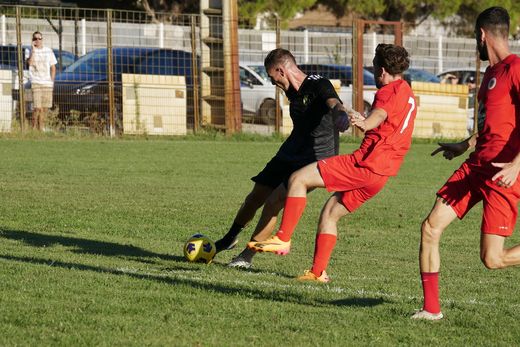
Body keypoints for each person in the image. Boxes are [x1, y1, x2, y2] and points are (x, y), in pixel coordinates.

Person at [248, 44, 417, 283]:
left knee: (298, 179)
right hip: (382, 175)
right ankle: (318, 273)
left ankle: (283, 237)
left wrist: (365, 122)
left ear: (380, 70)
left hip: (366, 164)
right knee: (330, 213)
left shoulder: (387, 91)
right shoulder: (407, 92)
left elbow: (380, 114)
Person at [412, 6, 520, 321]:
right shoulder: (491, 73)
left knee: (493, 259)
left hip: (503, 173)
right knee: (430, 227)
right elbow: (495, 126)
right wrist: (466, 144)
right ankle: (431, 310)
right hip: (475, 167)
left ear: (482, 34)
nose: (475, 41)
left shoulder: (515, 68)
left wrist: (516, 164)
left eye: (475, 36)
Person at [214, 48, 350, 269]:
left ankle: (246, 256)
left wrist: (341, 115)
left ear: (281, 70)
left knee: (274, 201)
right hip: (291, 150)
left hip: (315, 158)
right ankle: (230, 238)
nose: (273, 82)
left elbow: (334, 102)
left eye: (272, 77)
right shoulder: (292, 92)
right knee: (255, 196)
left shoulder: (318, 84)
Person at [25, 31, 57, 131]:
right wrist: (33, 50)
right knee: (37, 107)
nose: (37, 40)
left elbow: (53, 67)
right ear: (32, 40)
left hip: (47, 83)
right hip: (36, 82)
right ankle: (33, 128)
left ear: (42, 40)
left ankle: (41, 128)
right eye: (35, 38)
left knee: (44, 108)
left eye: (39, 38)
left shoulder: (48, 51)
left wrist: (52, 81)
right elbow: (30, 63)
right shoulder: (29, 50)